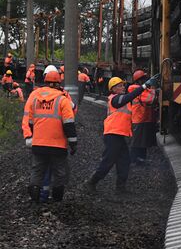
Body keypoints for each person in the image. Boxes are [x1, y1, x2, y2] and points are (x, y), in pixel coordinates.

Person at [84, 74, 159, 194]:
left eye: (123, 85)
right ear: (113, 89)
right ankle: (91, 182)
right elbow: (128, 97)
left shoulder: (121, 99)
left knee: (124, 161)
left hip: (118, 135)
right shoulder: (114, 98)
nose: (123, 87)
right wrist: (145, 86)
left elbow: (136, 100)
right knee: (108, 161)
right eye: (120, 86)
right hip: (112, 134)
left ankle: (120, 188)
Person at [21, 70, 77, 203]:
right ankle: (57, 200)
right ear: (58, 83)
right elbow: (69, 124)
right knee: (59, 172)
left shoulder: (36, 99)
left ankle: (35, 196)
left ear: (45, 82)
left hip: (39, 143)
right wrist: (73, 143)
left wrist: (31, 137)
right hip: (57, 145)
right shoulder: (63, 100)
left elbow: (29, 122)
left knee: (37, 170)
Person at [128, 69, 158, 165]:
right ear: (140, 80)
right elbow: (150, 99)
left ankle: (141, 159)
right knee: (137, 142)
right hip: (139, 119)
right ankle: (134, 160)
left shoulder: (141, 89)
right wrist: (153, 88)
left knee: (143, 141)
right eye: (145, 78)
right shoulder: (135, 88)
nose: (146, 80)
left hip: (143, 118)